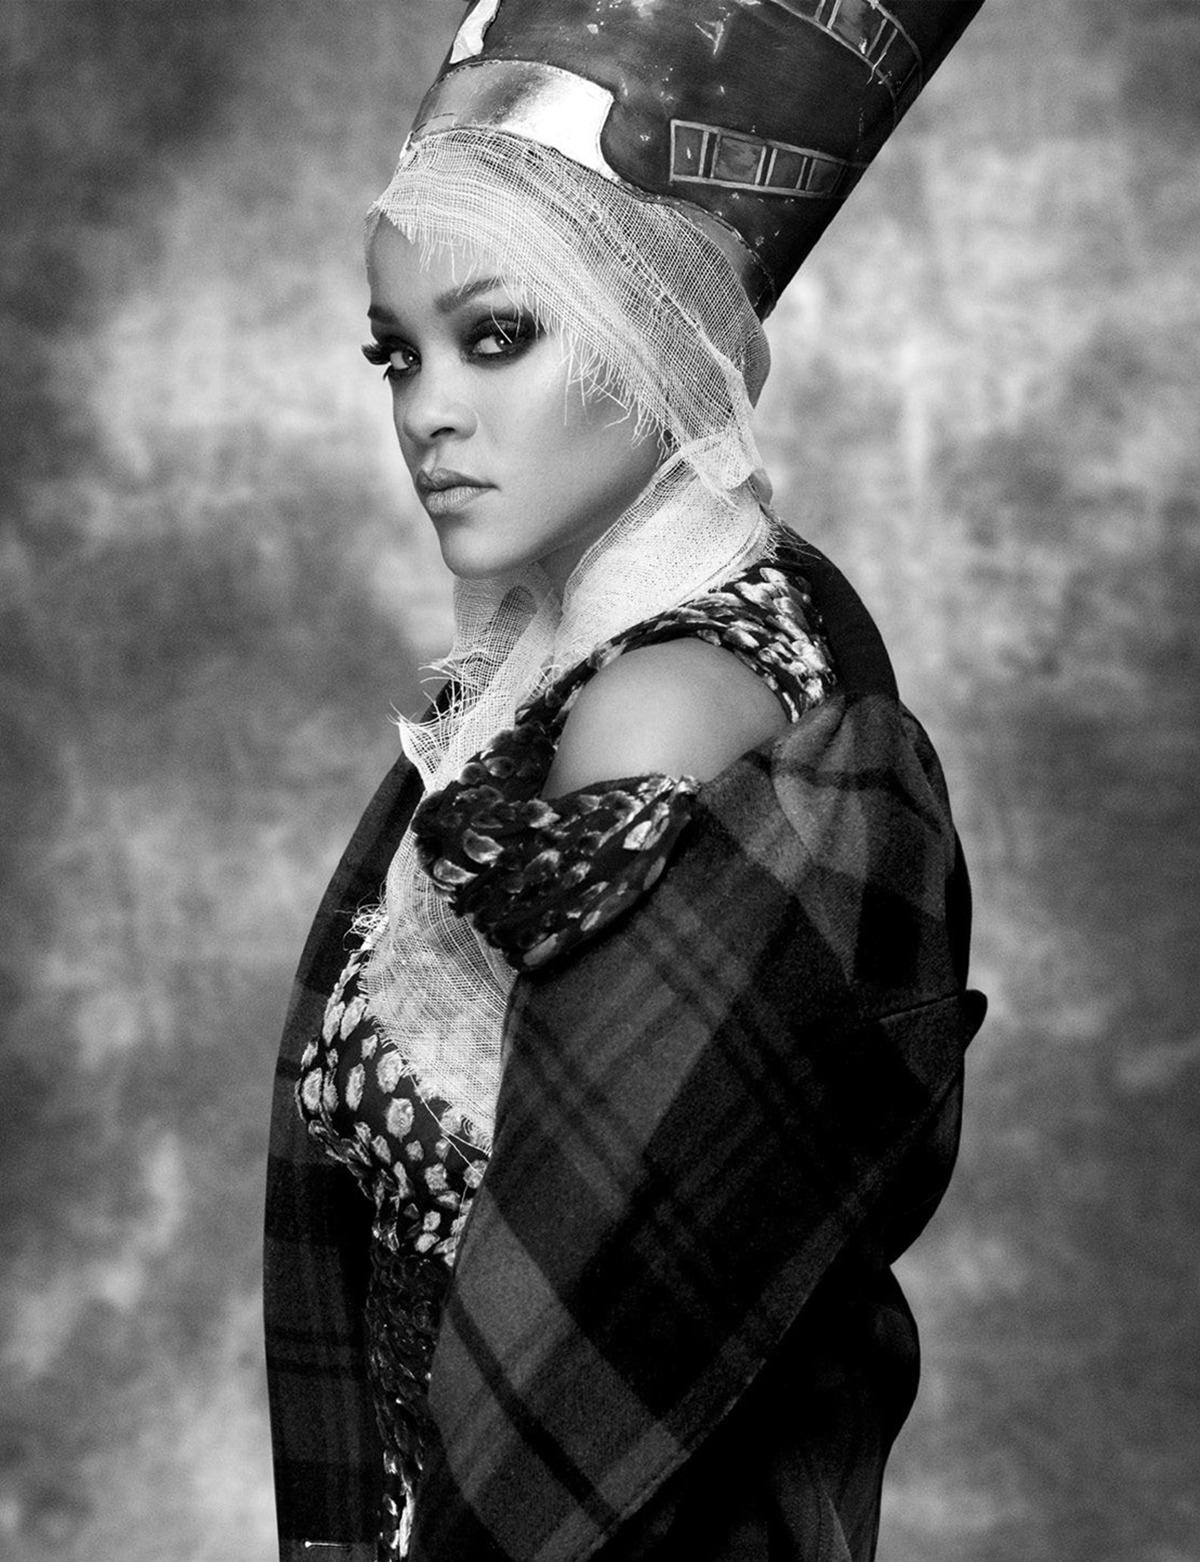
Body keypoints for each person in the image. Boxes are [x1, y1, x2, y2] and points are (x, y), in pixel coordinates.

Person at [264, 3, 987, 1559]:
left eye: (497, 335)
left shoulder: (655, 713)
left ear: (651, 324)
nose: (427, 411)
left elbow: (583, 1383)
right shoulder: (603, 656)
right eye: (398, 352)